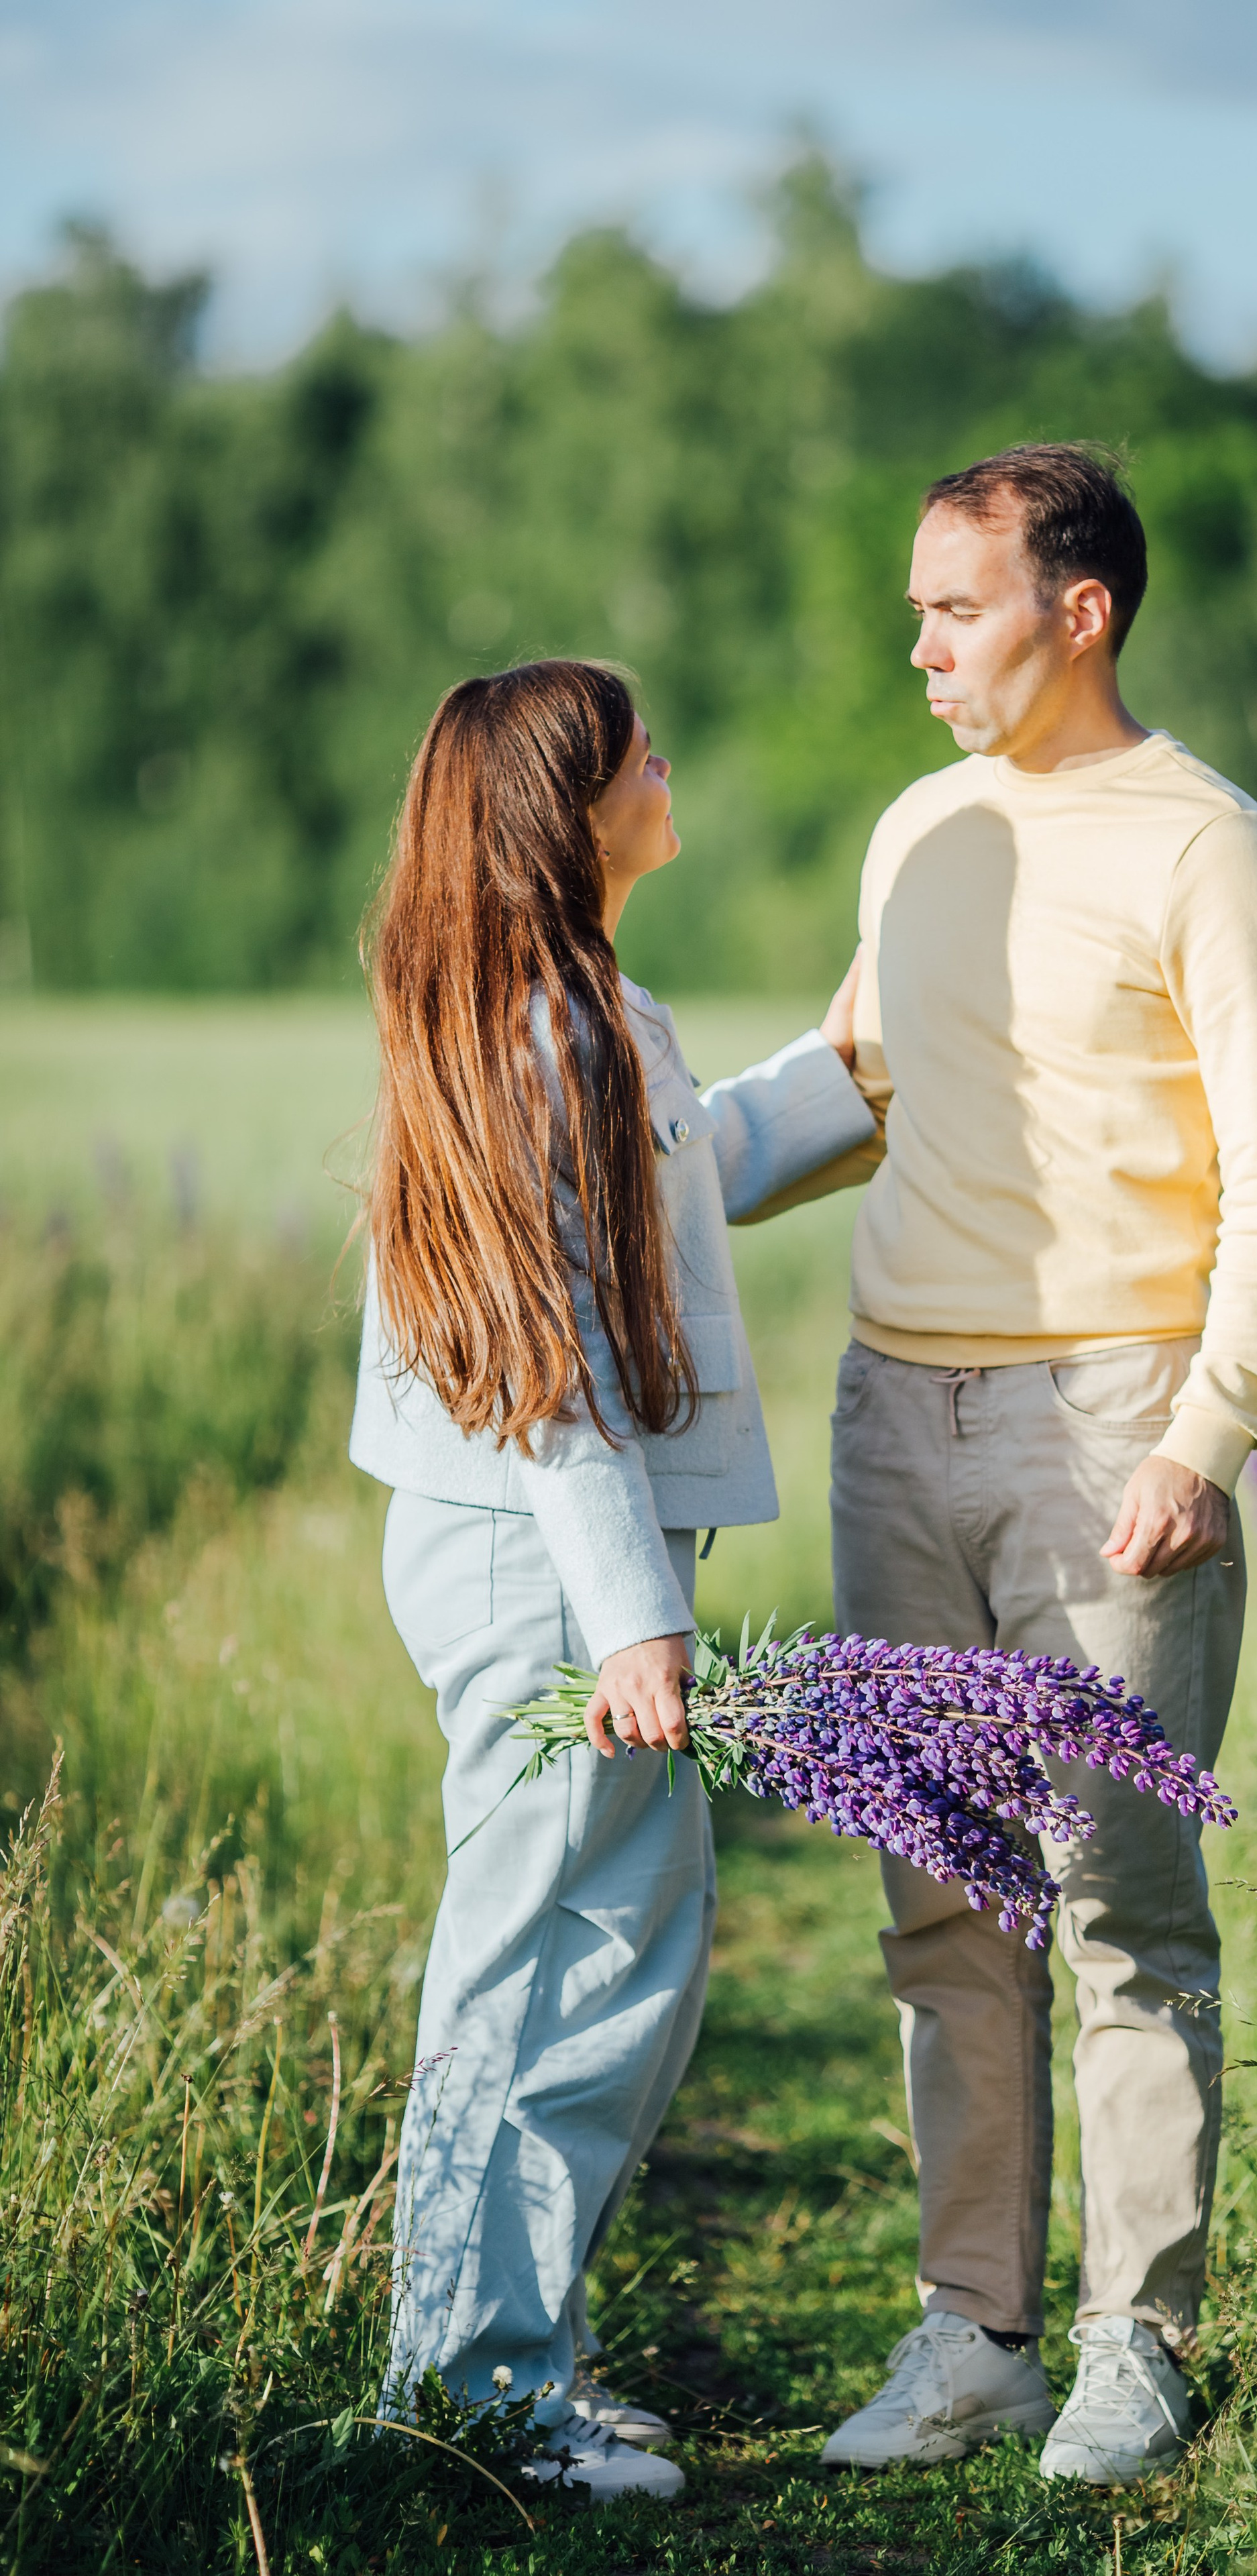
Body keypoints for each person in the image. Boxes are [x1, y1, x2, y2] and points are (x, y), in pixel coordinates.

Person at [814, 445, 1257, 2485]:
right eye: (921, 606)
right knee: (944, 1901)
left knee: (1121, 1905)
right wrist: (597, 1173)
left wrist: (1212, 1436)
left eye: (956, 604)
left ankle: (1142, 2345)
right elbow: (851, 1087)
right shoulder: (917, 828)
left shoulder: (1211, 847)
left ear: (1080, 609)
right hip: (892, 1412)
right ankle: (975, 2340)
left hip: (1115, 1422)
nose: (921, 641)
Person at [349, 659, 876, 2503]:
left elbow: (686, 1176)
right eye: (634, 748)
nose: (667, 761)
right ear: (564, 812)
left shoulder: (583, 1012)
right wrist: (634, 1612)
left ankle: (512, 2362)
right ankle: (478, 2396)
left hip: (545, 1553)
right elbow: (542, 1350)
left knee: (614, 1953)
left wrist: (849, 1073)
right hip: (540, 1564)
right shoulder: (533, 1034)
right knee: (541, 1962)